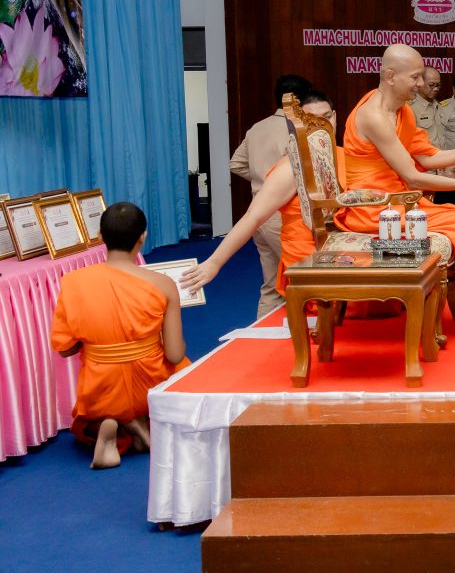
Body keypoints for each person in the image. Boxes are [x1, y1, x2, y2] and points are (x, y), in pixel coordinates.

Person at [339, 43, 455, 338]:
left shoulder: (402, 112)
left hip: (399, 203)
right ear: (390, 76)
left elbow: (428, 157)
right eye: (415, 77)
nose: (421, 84)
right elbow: (414, 178)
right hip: (375, 210)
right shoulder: (374, 116)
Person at [50, 203, 188, 469]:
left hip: (101, 387)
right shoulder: (163, 284)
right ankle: (141, 421)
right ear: (142, 237)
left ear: (100, 236)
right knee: (182, 368)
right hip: (149, 385)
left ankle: (112, 423)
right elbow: (174, 354)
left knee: (89, 417)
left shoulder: (73, 282)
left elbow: (65, 349)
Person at [183, 92, 340, 299]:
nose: (321, 125)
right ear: (298, 123)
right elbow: (253, 216)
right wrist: (214, 262)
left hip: (340, 254)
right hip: (308, 260)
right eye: (311, 120)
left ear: (335, 117)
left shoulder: (341, 155)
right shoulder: (293, 166)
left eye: (326, 117)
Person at [229, 74, 313, 318]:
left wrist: (264, 182)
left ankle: (263, 332)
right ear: (299, 101)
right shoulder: (296, 129)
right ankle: (303, 333)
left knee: (270, 285)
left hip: (258, 214)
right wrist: (278, 185)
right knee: (303, 280)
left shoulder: (257, 127)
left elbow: (236, 164)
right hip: (283, 215)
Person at [409, 65, 444, 148]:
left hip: (442, 154)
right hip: (422, 155)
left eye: (438, 85)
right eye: (431, 85)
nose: (436, 89)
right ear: (420, 82)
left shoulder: (439, 106)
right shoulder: (410, 108)